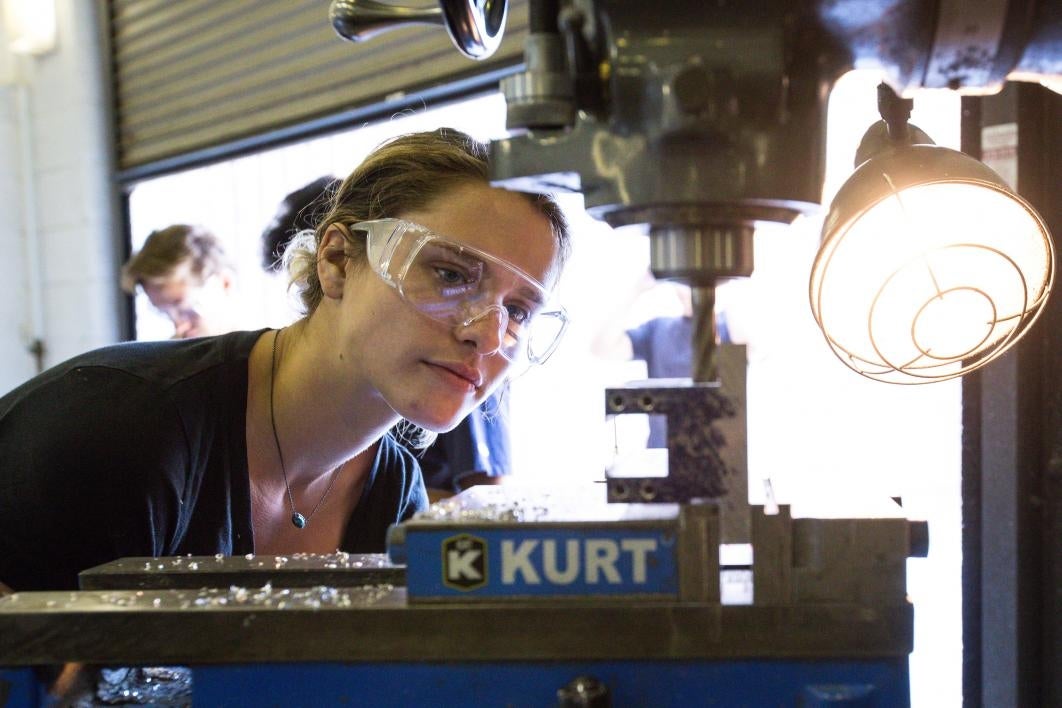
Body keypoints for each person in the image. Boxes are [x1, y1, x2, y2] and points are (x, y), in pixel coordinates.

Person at [0, 128, 571, 593]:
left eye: (519, 311)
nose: (488, 336)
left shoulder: (393, 494)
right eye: (449, 274)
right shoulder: (122, 431)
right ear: (338, 260)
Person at [263, 176, 516, 500]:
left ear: (336, 259)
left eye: (449, 275)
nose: (310, 292)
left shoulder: (460, 358)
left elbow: (486, 496)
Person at [121, 224, 240, 338]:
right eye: (164, 314)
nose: (179, 328)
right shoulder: (167, 356)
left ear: (225, 283)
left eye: (185, 309)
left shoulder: (257, 352)